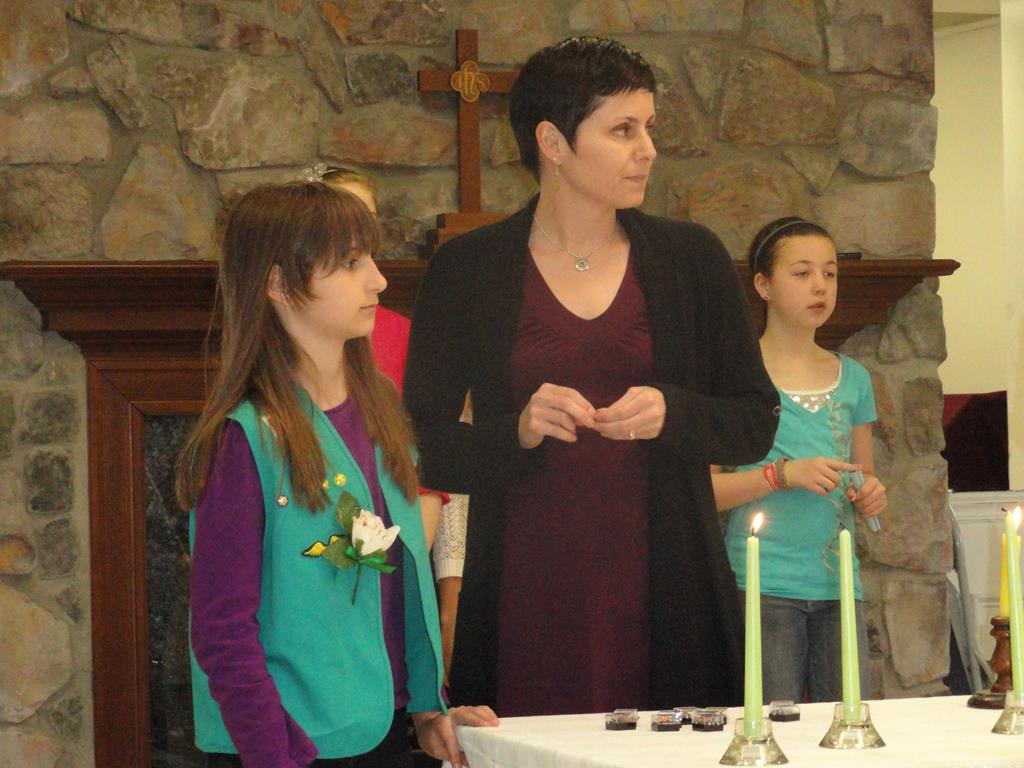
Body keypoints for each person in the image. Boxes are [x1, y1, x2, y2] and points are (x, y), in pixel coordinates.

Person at [404, 36, 780, 716]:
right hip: (523, 598)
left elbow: (755, 422)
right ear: (553, 142)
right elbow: (421, 445)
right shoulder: (467, 269)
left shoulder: (692, 260)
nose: (648, 150)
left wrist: (674, 412)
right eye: (623, 130)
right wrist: (516, 431)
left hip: (670, 594)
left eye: (649, 128)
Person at [176, 182, 496, 768]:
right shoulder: (244, 440)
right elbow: (223, 633)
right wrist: (274, 754)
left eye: (370, 258)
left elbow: (401, 581)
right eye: (350, 263)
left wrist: (428, 709)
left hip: (380, 734)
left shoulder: (381, 411)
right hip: (286, 749)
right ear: (279, 284)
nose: (378, 280)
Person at [713, 217, 887, 703]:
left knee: (848, 726)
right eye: (802, 272)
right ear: (763, 285)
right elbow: (706, 491)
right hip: (762, 587)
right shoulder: (734, 377)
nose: (820, 286)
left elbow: (864, 478)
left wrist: (871, 494)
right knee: (769, 727)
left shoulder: (855, 378)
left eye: (830, 273)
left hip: (840, 586)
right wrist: (782, 475)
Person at [310, 163, 445, 546]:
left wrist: (409, 552)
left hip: (392, 519)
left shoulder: (404, 334)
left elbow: (424, 454)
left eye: (365, 219)